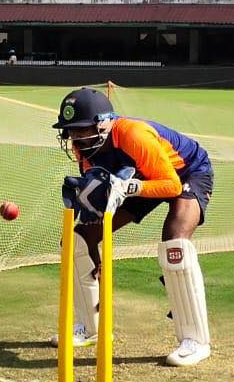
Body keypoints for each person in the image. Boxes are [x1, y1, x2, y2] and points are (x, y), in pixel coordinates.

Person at [54, 87, 214, 367]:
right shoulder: (84, 150)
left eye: (82, 130)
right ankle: (91, 328)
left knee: (174, 242)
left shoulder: (132, 135)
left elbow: (171, 185)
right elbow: (100, 204)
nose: (76, 138)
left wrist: (130, 186)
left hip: (185, 172)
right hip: (134, 182)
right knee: (78, 238)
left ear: (103, 123)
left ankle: (195, 341)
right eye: (71, 132)